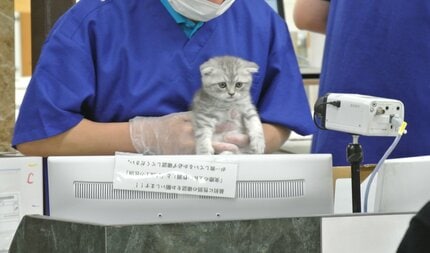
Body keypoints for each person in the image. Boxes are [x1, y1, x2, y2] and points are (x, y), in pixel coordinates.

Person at [12, 0, 315, 156]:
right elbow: (39, 137)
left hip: (229, 211)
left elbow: (280, 118)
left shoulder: (260, 21)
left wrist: (245, 140)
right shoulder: (98, 19)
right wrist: (146, 136)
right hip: (117, 215)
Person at [294, 0, 430, 166]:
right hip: (418, 105)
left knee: (347, 186)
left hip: (345, 114)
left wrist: (364, 32)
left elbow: (307, 15)